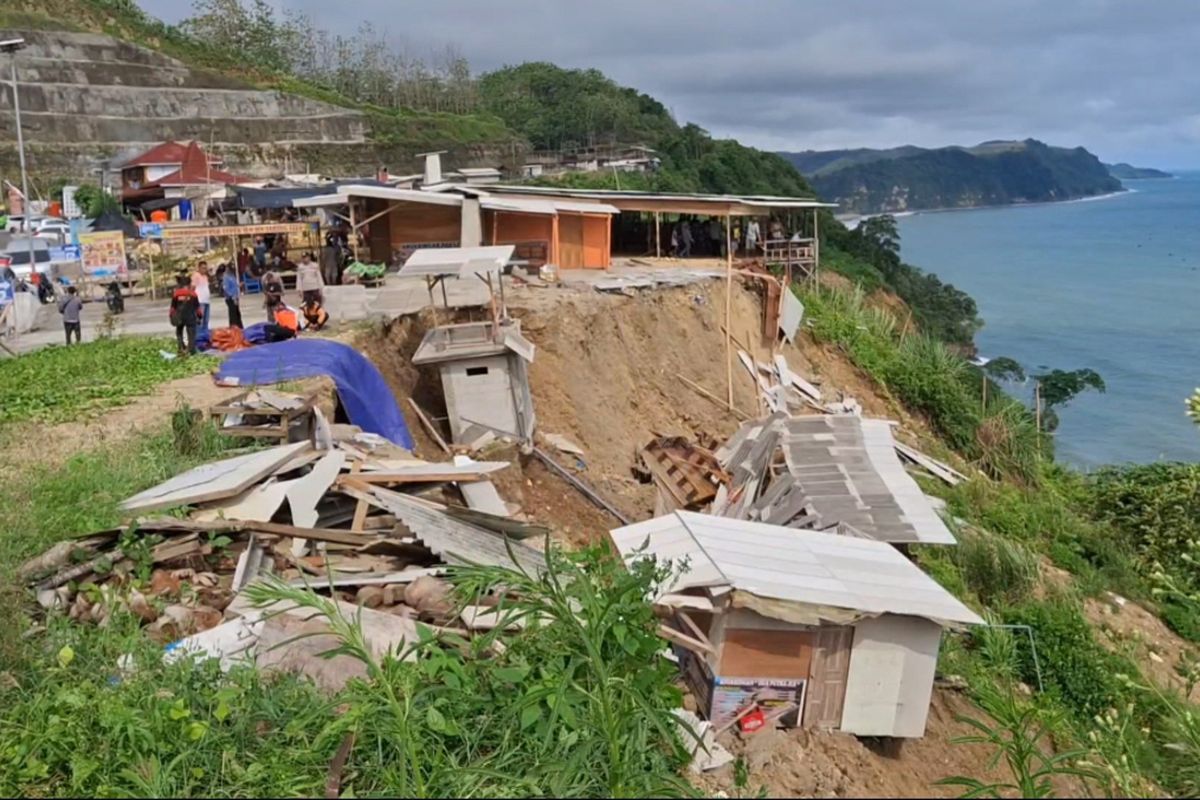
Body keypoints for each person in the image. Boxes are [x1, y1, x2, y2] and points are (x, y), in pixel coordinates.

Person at [169, 274, 200, 355]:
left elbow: (172, 308)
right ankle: (191, 350)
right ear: (189, 284)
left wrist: (171, 316)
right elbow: (198, 308)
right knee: (191, 334)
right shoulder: (193, 294)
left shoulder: (176, 294)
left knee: (179, 332)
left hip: (179, 317)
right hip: (190, 317)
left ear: (180, 284)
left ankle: (180, 347)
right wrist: (199, 317)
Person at [191, 261, 212, 338]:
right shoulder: (196, 276)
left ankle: (205, 336)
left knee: (206, 320)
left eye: (205, 268)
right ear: (199, 268)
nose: (204, 270)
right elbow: (192, 288)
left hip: (206, 301)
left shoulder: (205, 276)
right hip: (200, 301)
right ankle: (199, 337)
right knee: (200, 320)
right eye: (203, 268)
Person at [222, 261, 243, 328]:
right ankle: (233, 328)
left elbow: (234, 285)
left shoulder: (232, 275)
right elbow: (226, 289)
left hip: (235, 297)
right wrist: (232, 297)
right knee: (233, 314)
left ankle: (240, 327)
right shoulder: (226, 277)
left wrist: (238, 286)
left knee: (237, 314)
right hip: (230, 298)